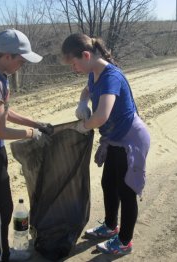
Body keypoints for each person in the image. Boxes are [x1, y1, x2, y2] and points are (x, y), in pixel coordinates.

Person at [0, 28, 53, 262]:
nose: (21, 65)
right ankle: (0, 256)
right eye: (21, 61)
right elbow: (1, 129)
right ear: (7, 56)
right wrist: (32, 133)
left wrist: (37, 123)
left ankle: (2, 251)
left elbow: (6, 112)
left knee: (6, 207)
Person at [61, 33, 150, 255]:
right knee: (108, 183)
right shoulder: (94, 72)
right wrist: (82, 102)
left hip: (130, 139)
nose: (74, 68)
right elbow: (88, 90)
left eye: (74, 63)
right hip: (115, 138)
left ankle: (124, 242)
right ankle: (110, 226)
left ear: (86, 55)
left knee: (126, 190)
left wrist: (84, 126)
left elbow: (101, 116)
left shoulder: (111, 77)